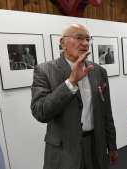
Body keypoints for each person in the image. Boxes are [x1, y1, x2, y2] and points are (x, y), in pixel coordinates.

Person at [31, 24, 118, 169]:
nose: (85, 43)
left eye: (87, 39)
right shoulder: (45, 71)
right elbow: (40, 112)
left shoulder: (98, 71)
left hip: (96, 146)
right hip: (64, 151)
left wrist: (112, 145)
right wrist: (70, 82)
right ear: (62, 43)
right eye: (79, 38)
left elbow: (106, 112)